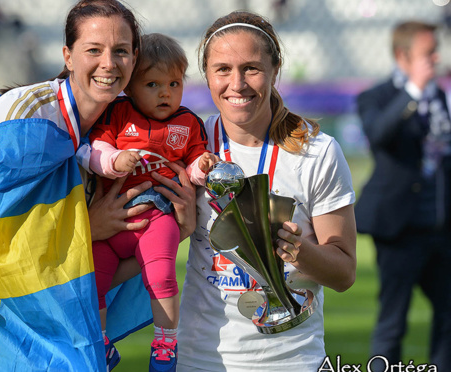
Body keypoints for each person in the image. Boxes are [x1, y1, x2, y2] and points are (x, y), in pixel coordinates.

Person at [0, 1, 199, 371]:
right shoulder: (27, 125)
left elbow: (78, 268)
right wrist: (86, 227)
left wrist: (175, 231)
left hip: (46, 322)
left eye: (121, 51)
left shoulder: (118, 131)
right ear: (68, 55)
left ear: (134, 59)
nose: (109, 63)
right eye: (93, 50)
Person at [176, 11, 358, 372]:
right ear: (207, 75)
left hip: (293, 360)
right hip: (200, 358)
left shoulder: (317, 151)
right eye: (223, 69)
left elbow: (344, 273)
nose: (237, 84)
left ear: (276, 70)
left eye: (252, 68)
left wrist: (296, 250)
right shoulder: (190, 143)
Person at [87, 33, 219, 371]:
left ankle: (165, 342)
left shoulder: (187, 122)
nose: (165, 93)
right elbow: (95, 150)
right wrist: (115, 160)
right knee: (90, 283)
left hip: (158, 216)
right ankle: (100, 342)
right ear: (129, 87)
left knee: (161, 276)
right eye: (153, 84)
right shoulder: (116, 113)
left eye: (174, 83)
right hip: (108, 223)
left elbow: (193, 161)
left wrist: (202, 167)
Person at [355, 20, 451, 371]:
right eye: (428, 53)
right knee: (393, 320)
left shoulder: (439, 95)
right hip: (400, 228)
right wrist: (413, 90)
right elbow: (379, 135)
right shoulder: (376, 96)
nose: (436, 59)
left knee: (448, 314)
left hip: (440, 225)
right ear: (402, 55)